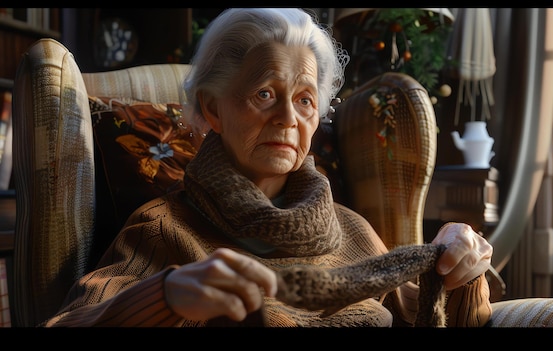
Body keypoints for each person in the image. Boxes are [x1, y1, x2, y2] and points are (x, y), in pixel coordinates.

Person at [43, 7, 493, 327]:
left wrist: (460, 270)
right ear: (212, 108)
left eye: (304, 101)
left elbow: (429, 315)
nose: (287, 119)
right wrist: (167, 295)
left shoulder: (354, 231)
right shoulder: (163, 231)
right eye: (264, 94)